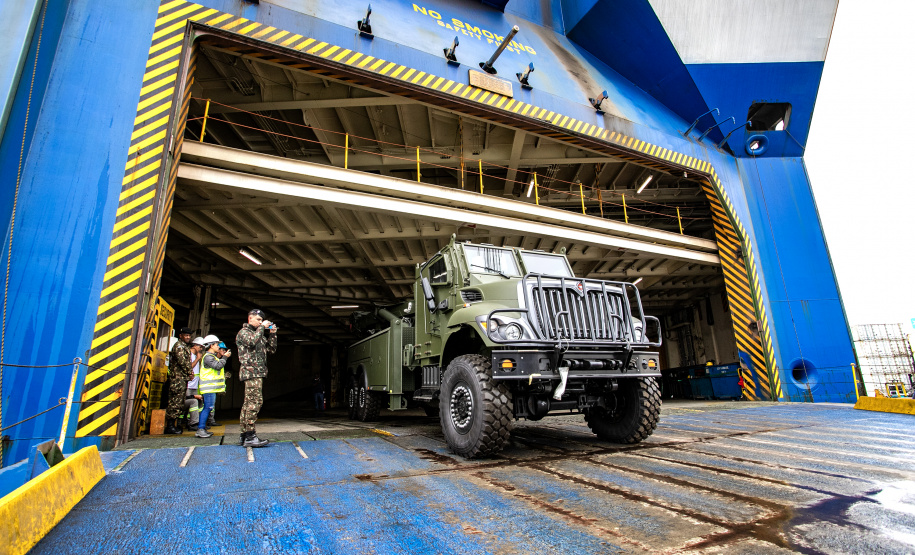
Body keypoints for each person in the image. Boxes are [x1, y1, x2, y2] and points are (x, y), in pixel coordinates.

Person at [236, 309, 277, 447]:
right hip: (251, 372)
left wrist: (272, 334)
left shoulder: (258, 334)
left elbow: (271, 350)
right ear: (250, 319)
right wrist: (261, 327)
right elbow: (251, 342)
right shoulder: (244, 333)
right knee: (254, 403)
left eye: (261, 320)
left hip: (258, 372)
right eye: (258, 320)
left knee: (248, 404)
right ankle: (250, 435)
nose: (260, 322)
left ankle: (244, 435)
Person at [196, 335, 231, 438]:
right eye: (217, 345)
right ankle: (201, 429)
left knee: (208, 407)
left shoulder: (211, 357)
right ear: (211, 345)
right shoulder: (208, 357)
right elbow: (218, 366)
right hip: (209, 388)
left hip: (211, 388)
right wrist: (225, 357)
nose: (218, 347)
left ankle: (202, 428)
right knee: (208, 407)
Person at [165, 327, 194, 434]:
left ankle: (175, 425)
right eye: (186, 335)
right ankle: (170, 426)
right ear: (180, 336)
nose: (188, 337)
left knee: (180, 402)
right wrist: (190, 372)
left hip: (181, 379)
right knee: (175, 402)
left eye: (189, 336)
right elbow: (182, 362)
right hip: (177, 379)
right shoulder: (179, 347)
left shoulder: (184, 346)